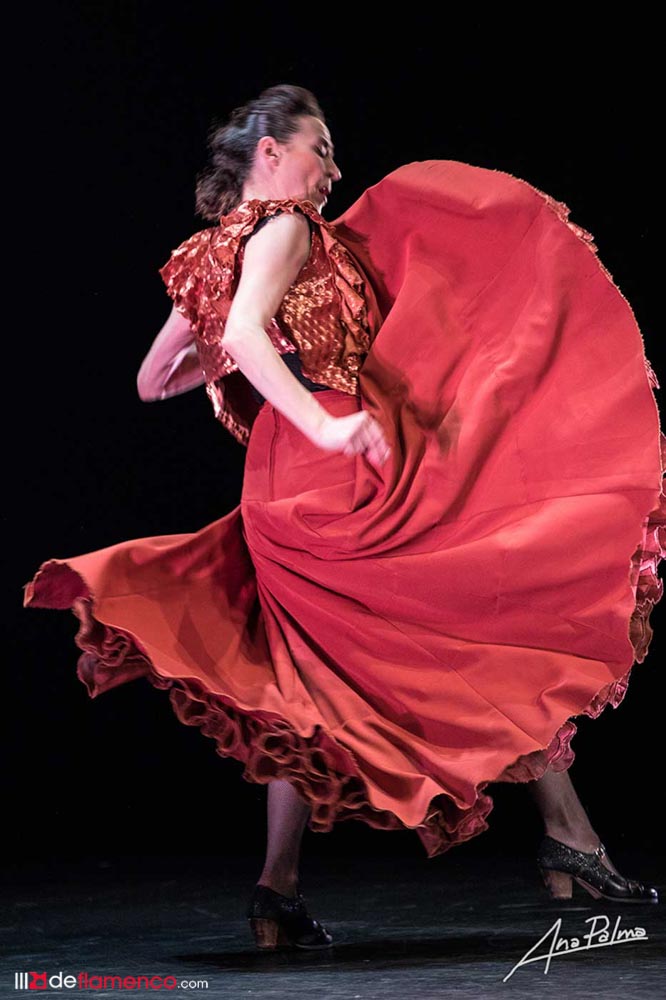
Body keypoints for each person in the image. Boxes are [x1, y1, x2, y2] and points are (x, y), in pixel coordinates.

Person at [24, 85, 663, 951]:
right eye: (318, 148)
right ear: (270, 153)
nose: (332, 168)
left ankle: (277, 891)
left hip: (280, 476)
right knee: (473, 624)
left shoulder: (208, 251)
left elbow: (155, 378)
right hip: (340, 463)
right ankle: (569, 838)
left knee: (306, 684)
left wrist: (258, 373)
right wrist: (319, 417)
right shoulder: (286, 225)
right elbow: (244, 335)